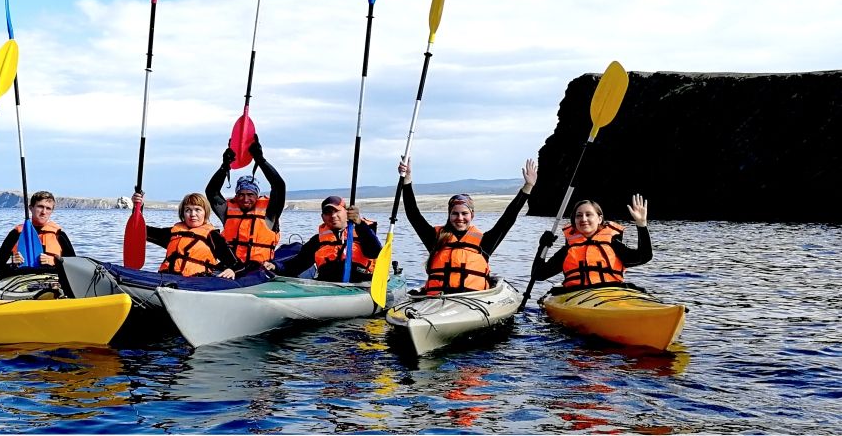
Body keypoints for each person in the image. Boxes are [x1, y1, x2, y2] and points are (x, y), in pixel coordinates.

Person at [398, 157, 538, 294]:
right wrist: (407, 178)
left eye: (464, 213)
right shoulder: (435, 238)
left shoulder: (484, 242)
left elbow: (508, 218)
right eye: (455, 213)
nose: (460, 218)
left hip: (472, 302)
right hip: (437, 302)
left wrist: (528, 186)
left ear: (472, 215)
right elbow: (413, 214)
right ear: (449, 215)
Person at [531, 195, 653, 288]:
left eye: (588, 214)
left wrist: (641, 225)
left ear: (599, 219)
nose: (583, 219)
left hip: (612, 295)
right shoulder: (569, 249)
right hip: (576, 297)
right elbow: (539, 275)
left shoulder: (612, 245)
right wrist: (542, 246)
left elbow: (644, 256)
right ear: (574, 221)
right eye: (579, 216)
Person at [205, 137, 286, 271]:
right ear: (236, 196)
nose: (245, 199)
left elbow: (279, 186)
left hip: (259, 269)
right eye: (241, 194)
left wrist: (260, 160)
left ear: (257, 195)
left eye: (250, 195)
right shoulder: (227, 210)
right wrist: (225, 166)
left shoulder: (270, 212)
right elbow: (212, 191)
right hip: (231, 267)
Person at [131, 191, 243, 279]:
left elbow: (236, 264)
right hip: (166, 279)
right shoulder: (173, 233)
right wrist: (138, 207)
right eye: (188, 210)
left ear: (205, 213)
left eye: (198, 210)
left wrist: (232, 270)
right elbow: (140, 230)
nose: (193, 214)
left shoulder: (212, 236)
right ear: (183, 214)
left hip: (197, 283)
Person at [276, 196, 383, 283]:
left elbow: (375, 252)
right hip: (328, 285)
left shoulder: (363, 231)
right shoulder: (317, 240)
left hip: (360, 284)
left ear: (347, 212)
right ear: (322, 217)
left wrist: (359, 223)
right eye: (328, 212)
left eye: (336, 211)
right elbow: (298, 264)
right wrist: (276, 266)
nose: (333, 215)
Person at [0, 191, 78, 278]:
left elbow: (74, 269)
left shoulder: (59, 235)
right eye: (40, 207)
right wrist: (12, 263)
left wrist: (54, 262)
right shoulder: (16, 234)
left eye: (48, 208)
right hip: (21, 283)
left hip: (51, 281)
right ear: (31, 208)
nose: (44, 212)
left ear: (52, 211)